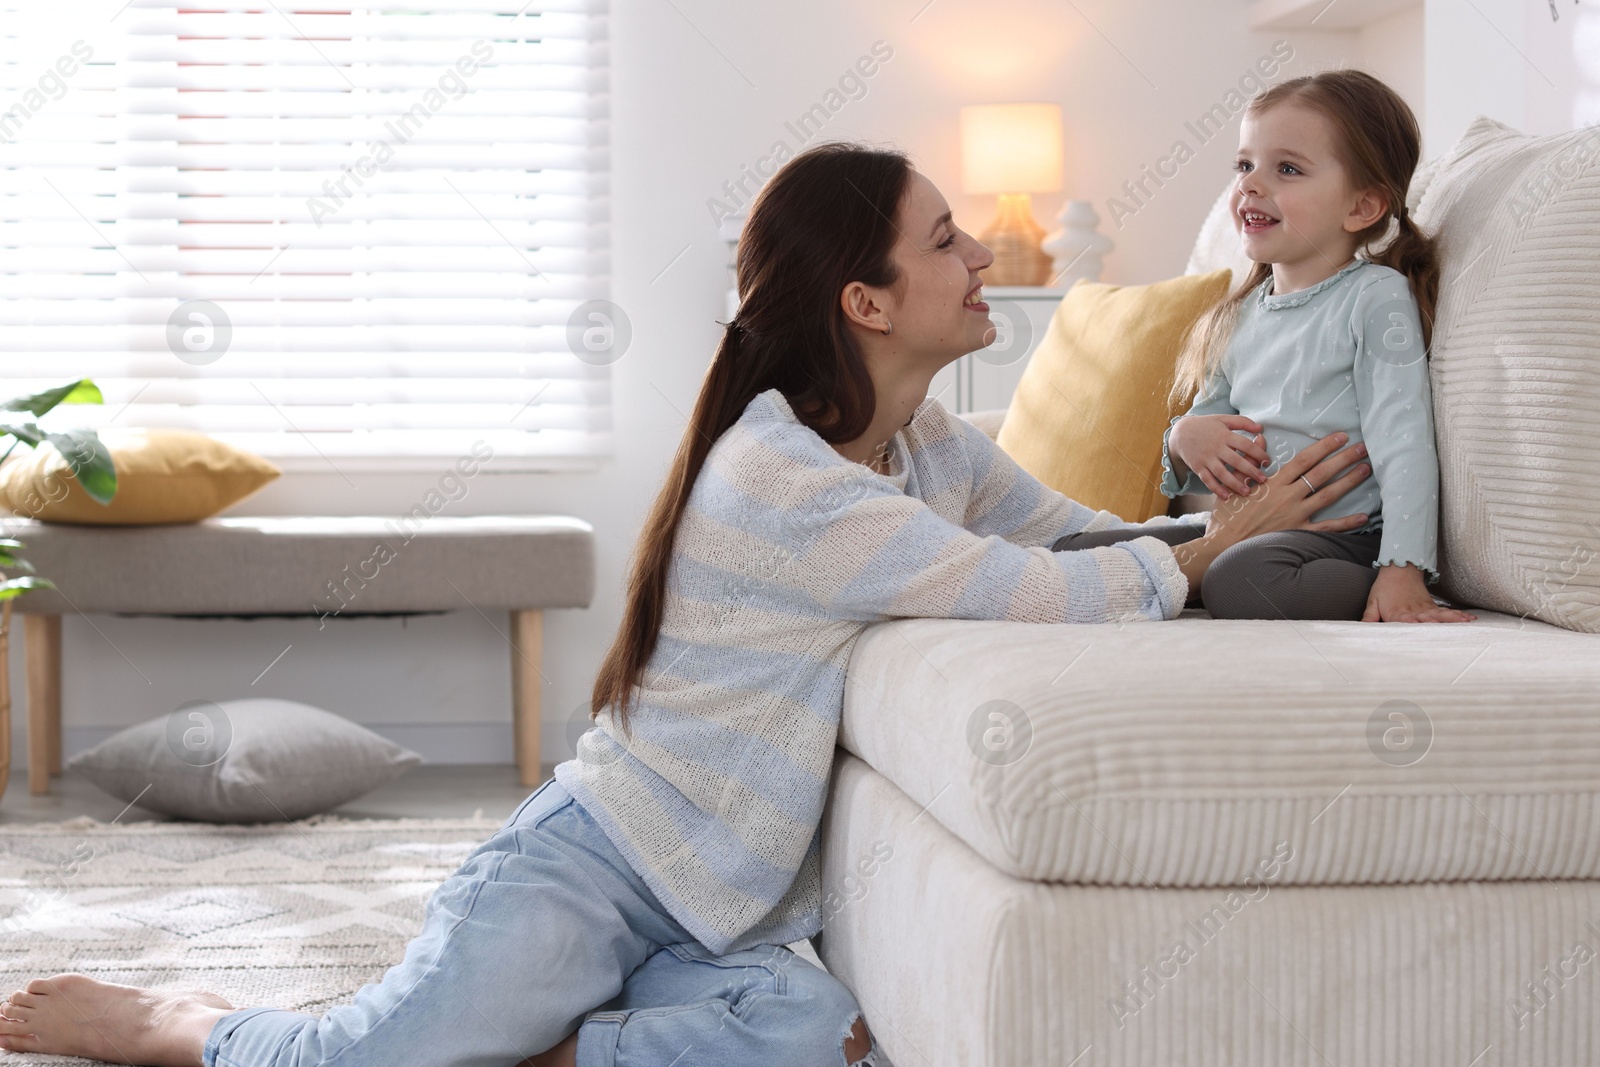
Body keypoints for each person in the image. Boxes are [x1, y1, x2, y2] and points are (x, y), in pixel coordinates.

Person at [0, 142, 1373, 1067]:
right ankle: (186, 1019)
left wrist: (1213, 504)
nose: (979, 258)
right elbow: (1020, 589)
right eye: (946, 241)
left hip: (735, 892)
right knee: (373, 1055)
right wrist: (1213, 548)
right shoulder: (784, 478)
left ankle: (548, 1040)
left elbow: (1076, 534)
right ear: (867, 300)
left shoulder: (928, 447)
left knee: (815, 1032)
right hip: (601, 851)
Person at [1058, 70, 1475, 624]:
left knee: (1242, 582)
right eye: (1244, 165)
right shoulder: (1242, 311)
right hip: (1234, 530)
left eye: (1287, 169)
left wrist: (1403, 568)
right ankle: (1193, 576)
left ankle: (1367, 582)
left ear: (1362, 207)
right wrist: (1185, 437)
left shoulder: (1374, 297)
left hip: (1342, 537)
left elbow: (1406, 443)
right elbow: (1208, 431)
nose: (1251, 185)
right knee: (1072, 556)